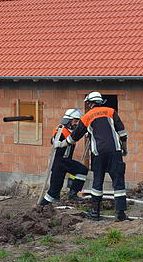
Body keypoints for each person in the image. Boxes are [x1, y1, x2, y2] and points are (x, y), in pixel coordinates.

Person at [68, 92, 129, 221]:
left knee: (97, 181)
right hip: (115, 151)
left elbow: (75, 136)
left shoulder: (87, 116)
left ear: (91, 103)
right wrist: (124, 147)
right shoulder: (111, 111)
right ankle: (120, 214)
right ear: (101, 102)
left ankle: (95, 213)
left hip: (98, 153)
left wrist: (63, 142)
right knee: (118, 181)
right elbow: (122, 132)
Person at [40, 108, 89, 205]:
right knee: (53, 191)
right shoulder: (60, 129)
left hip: (66, 161)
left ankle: (73, 193)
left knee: (82, 170)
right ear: (69, 120)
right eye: (76, 121)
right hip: (58, 162)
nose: (77, 123)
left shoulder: (71, 130)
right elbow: (54, 141)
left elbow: (77, 133)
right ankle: (40, 207)